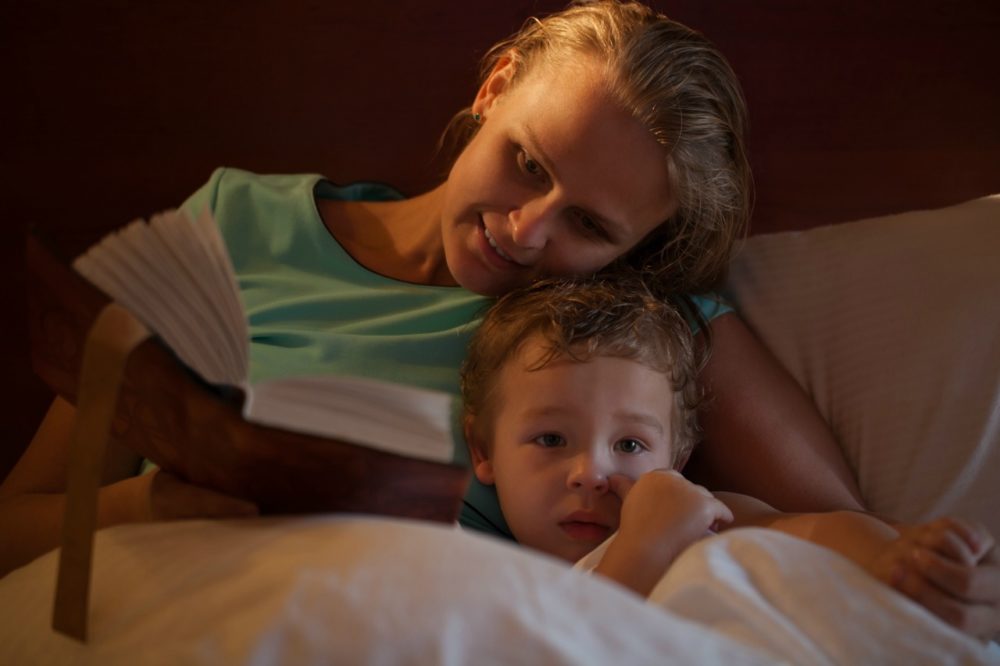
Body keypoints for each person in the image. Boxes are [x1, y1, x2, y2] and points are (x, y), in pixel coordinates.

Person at [0, 0, 907, 578]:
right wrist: (147, 509)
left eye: (590, 226)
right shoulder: (232, 224)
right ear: (495, 86)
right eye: (526, 162)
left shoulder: (617, 330)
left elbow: (850, 534)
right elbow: (17, 527)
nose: (526, 231)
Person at [460, 274, 1000, 639]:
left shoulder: (701, 512)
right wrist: (646, 546)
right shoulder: (476, 575)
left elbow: (812, 531)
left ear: (678, 457)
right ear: (483, 451)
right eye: (552, 440)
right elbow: (570, 646)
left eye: (630, 445)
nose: (591, 474)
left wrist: (894, 560)